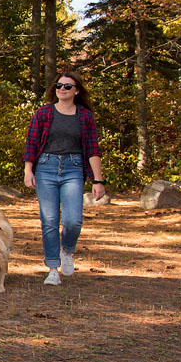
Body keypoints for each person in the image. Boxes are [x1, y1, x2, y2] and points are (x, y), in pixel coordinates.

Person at [22, 71, 106, 285]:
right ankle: (52, 268)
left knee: (72, 220)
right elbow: (31, 143)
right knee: (49, 221)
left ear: (76, 90)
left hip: (73, 168)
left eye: (67, 86)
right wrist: (28, 170)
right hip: (46, 168)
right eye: (59, 85)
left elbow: (93, 149)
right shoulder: (43, 113)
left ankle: (67, 251)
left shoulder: (85, 116)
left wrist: (98, 180)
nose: (62, 89)